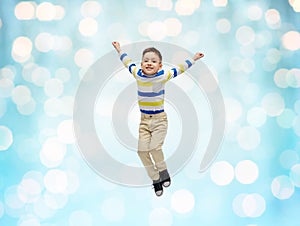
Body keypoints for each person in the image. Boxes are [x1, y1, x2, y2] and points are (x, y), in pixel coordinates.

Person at [112, 41, 204, 196]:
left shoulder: (163, 76)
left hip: (159, 120)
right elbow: (127, 62)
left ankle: (163, 171)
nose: (149, 63)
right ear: (141, 64)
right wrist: (119, 50)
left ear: (160, 66)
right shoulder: (137, 74)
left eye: (153, 61)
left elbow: (179, 69)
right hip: (144, 122)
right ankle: (155, 179)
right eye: (146, 60)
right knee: (142, 151)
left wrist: (193, 59)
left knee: (154, 148)